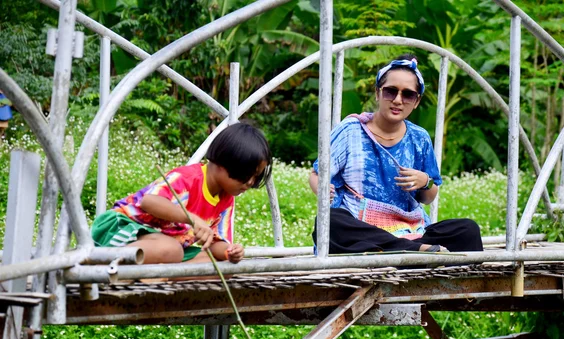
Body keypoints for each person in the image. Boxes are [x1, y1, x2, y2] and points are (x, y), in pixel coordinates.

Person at [309, 54, 483, 254]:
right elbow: (316, 174)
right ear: (377, 93)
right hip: (362, 229)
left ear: (416, 101)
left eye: (408, 95)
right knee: (330, 222)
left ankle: (408, 251)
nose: (398, 100)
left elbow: (428, 198)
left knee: (467, 229)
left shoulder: (420, 137)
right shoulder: (350, 130)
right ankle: (413, 253)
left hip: (411, 230)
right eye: (391, 91)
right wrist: (322, 188)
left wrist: (425, 181)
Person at [91, 122, 272, 264]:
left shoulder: (226, 199)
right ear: (221, 162)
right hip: (123, 229)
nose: (249, 182)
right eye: (245, 174)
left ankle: (159, 275)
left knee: (220, 265)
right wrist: (192, 219)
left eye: (255, 177)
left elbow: (216, 242)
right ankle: (101, 263)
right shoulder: (187, 179)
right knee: (172, 250)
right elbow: (149, 202)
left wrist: (229, 251)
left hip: (164, 247)